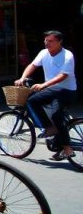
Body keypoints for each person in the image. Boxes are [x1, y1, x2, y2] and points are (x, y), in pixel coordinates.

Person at [15, 30, 77, 160]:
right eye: (46, 40)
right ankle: (61, 145)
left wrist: (44, 85)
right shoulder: (43, 53)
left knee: (34, 103)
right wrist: (23, 77)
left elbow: (63, 75)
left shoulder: (67, 55)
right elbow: (32, 65)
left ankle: (53, 133)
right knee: (53, 114)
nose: (47, 43)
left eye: (51, 41)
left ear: (60, 42)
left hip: (66, 90)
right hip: (52, 90)